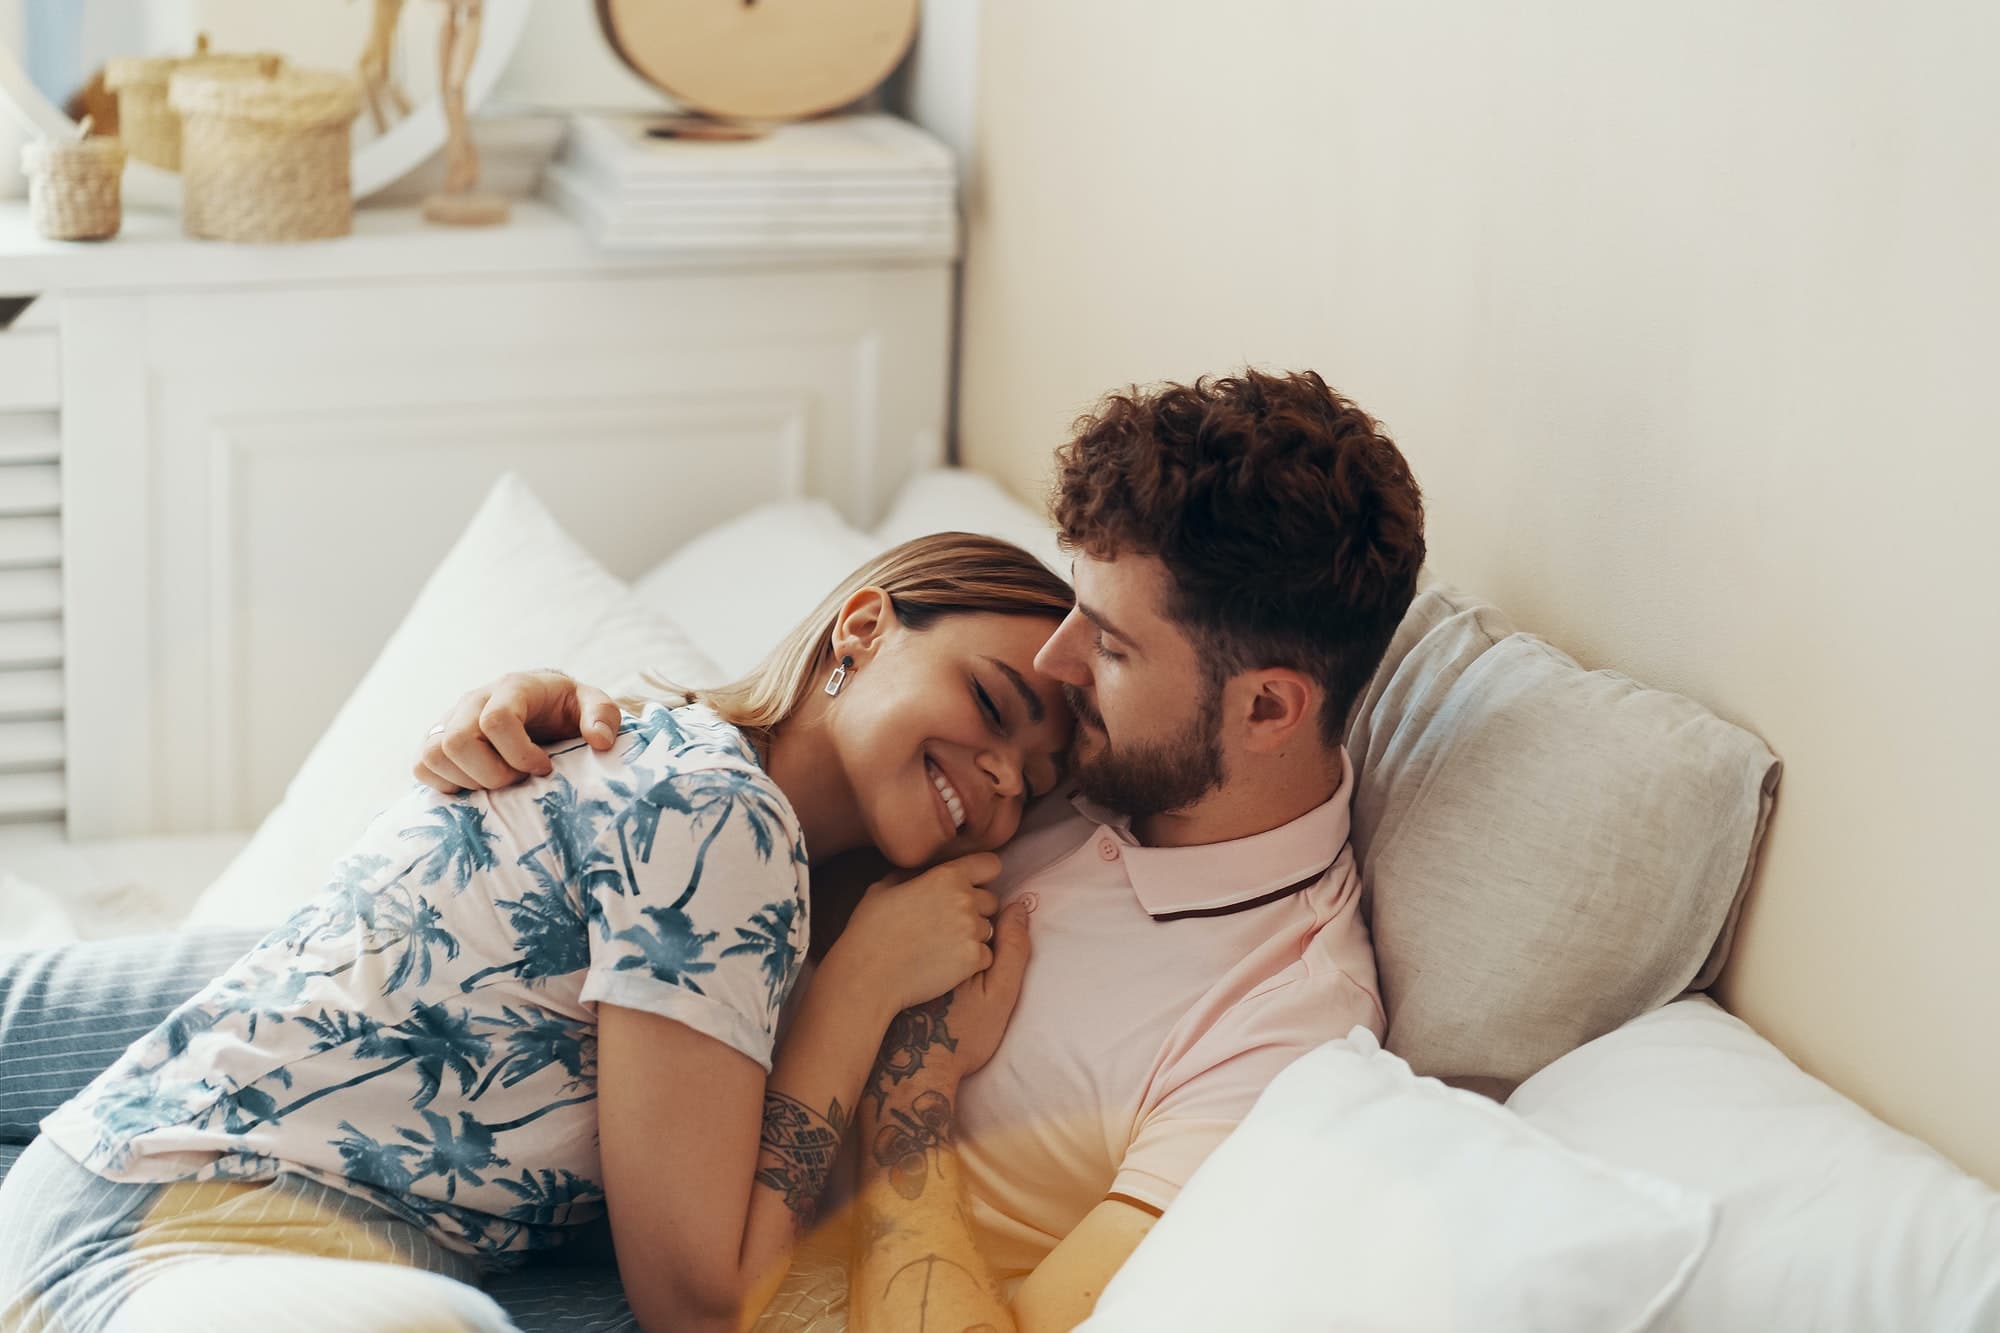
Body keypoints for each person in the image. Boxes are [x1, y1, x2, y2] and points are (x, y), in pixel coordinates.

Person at [428, 368, 1430, 1331]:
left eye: (1112, 646)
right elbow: (772, 780)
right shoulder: (1062, 752)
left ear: (1265, 706)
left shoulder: (1279, 1028)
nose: (1056, 662)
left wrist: (915, 1089)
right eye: (1076, 610)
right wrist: (578, 723)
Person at [0, 534, 1075, 1333]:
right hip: (183, 1240)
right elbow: (700, 1303)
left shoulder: (702, 798)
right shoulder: (724, 823)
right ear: (863, 626)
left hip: (138, 1201)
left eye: (1031, 786)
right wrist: (859, 990)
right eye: (991, 705)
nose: (997, 778)